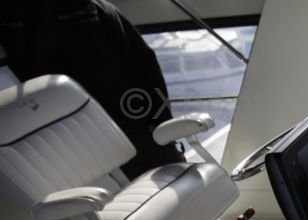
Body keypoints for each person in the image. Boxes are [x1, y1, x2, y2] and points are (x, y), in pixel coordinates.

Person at [0, 0, 185, 179]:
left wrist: (160, 118)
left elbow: (145, 63)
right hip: (128, 125)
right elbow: (145, 63)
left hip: (74, 140)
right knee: (172, 181)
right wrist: (160, 118)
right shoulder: (94, 8)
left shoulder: (12, 23)